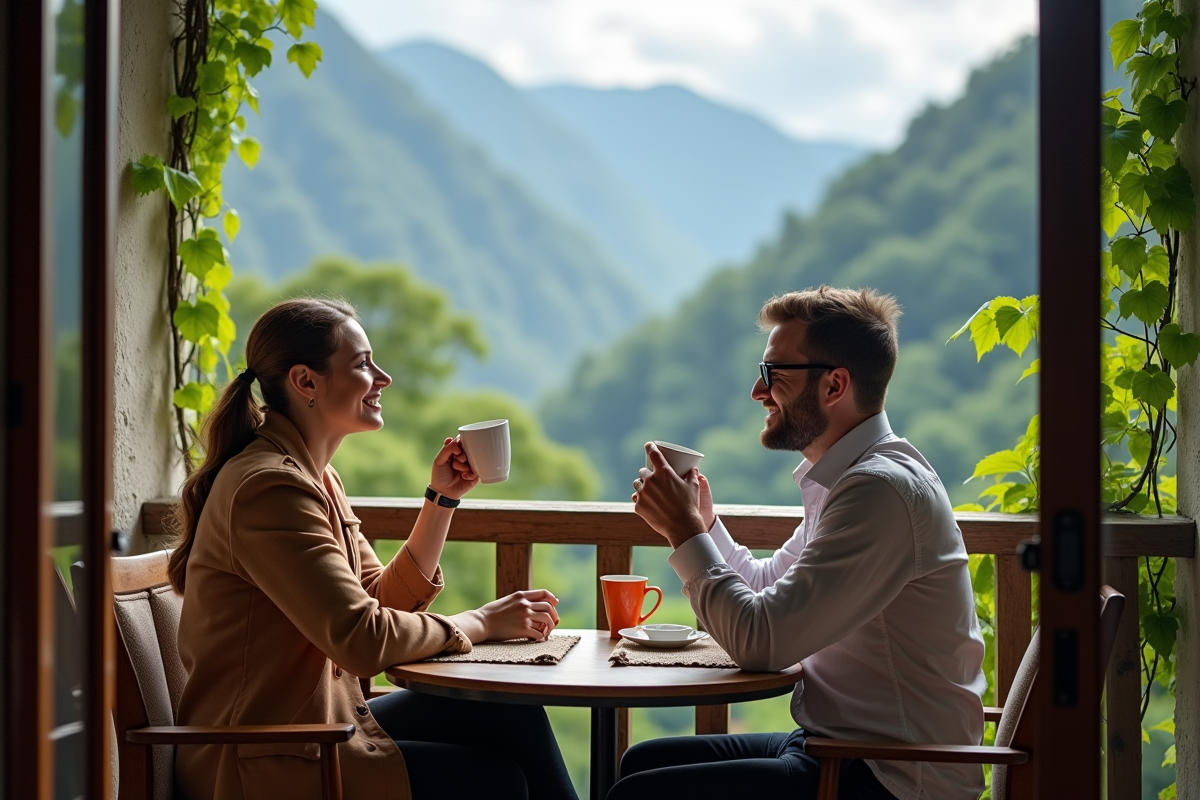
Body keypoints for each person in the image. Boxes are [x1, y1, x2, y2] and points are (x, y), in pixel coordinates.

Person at [169, 298, 578, 800]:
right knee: (495, 781)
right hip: (268, 759)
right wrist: (481, 623)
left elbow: (380, 601)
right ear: (305, 382)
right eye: (363, 363)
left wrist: (442, 499)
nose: (382, 377)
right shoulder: (268, 489)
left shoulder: (315, 478)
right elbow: (361, 639)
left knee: (508, 716)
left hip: (324, 730)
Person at [617, 287, 987, 800]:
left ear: (835, 385)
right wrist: (705, 525)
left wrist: (685, 533)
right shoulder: (854, 478)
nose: (757, 391)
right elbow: (771, 587)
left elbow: (763, 642)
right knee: (639, 762)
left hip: (893, 775)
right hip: (840, 747)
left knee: (640, 793)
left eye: (773, 374)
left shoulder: (880, 491)